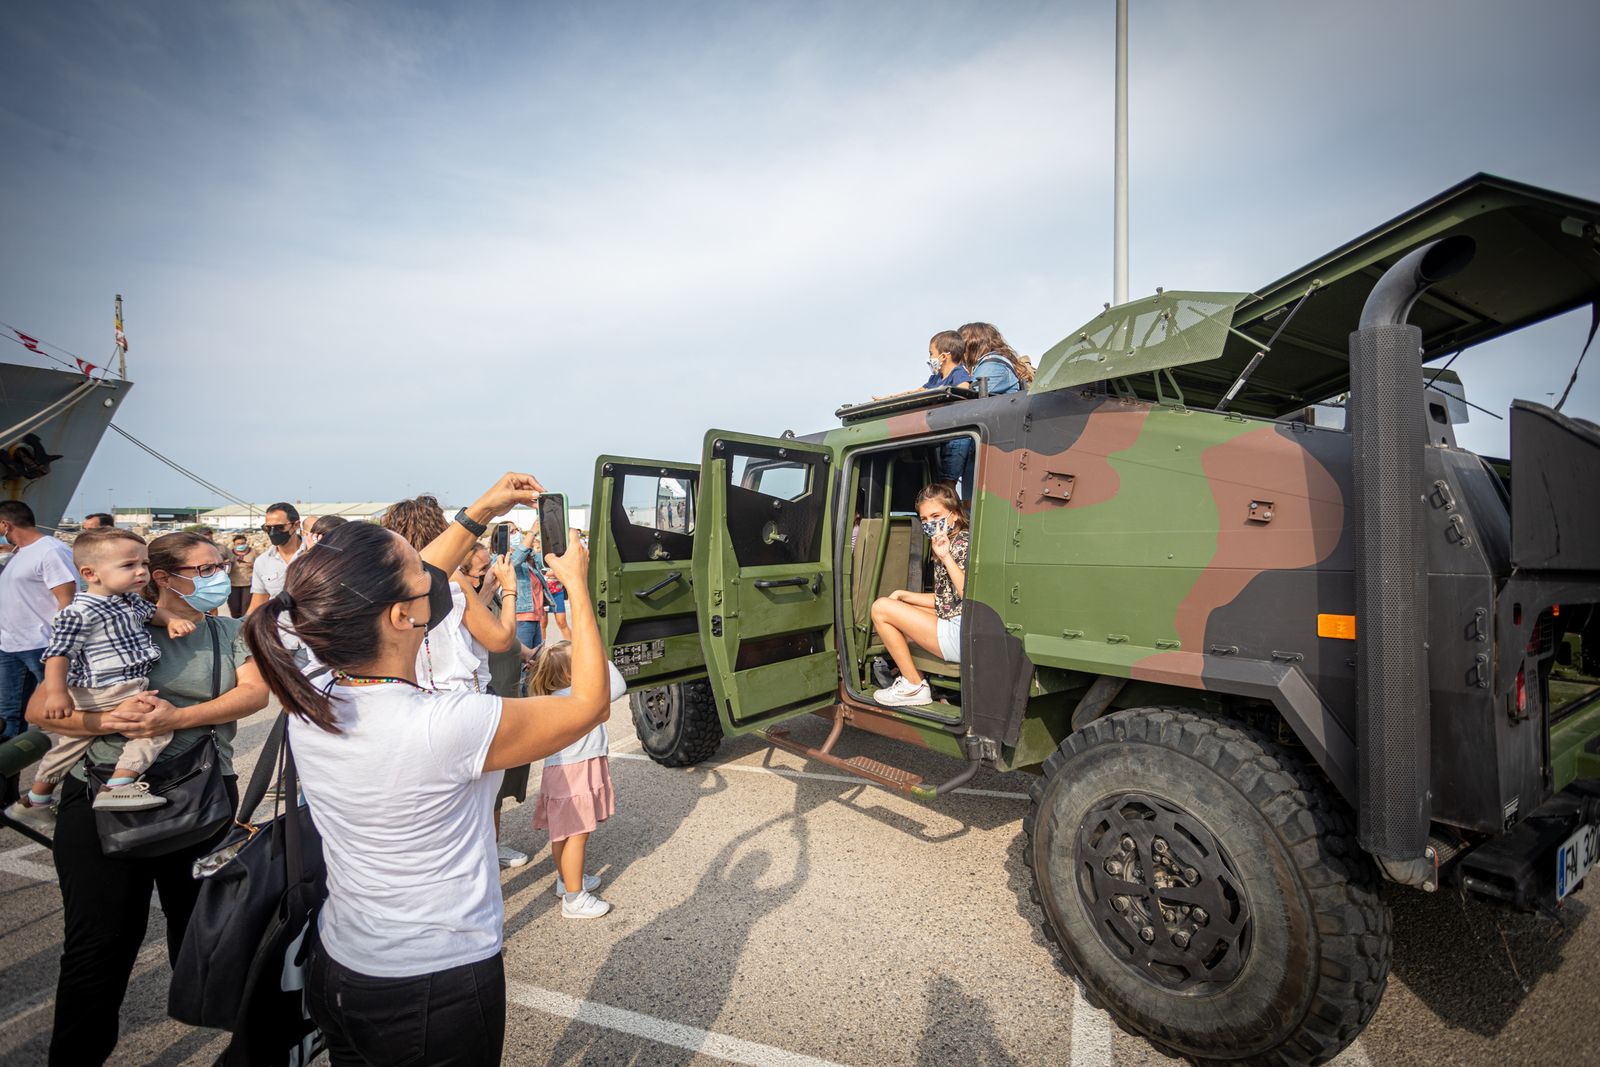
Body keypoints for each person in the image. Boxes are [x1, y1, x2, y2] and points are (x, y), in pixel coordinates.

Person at [241, 472, 609, 1065]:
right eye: (420, 575)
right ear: (401, 616)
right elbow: (589, 703)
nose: (435, 578)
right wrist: (578, 589)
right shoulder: (447, 725)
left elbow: (420, 578)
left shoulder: (310, 683)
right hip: (432, 984)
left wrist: (484, 508)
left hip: (342, 962)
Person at [27, 530, 270, 1065]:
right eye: (205, 569)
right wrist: (109, 719)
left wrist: (175, 718)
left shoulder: (228, 629)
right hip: (98, 798)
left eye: (222, 566)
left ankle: (239, 1050)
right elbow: (40, 713)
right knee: (98, 947)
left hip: (201, 795)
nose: (219, 577)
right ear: (161, 576)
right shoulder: (103, 620)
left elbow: (253, 694)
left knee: (206, 934)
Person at [382, 497, 528, 868]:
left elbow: (452, 622)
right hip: (462, 706)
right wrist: (509, 590)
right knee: (474, 819)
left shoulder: (386, 583)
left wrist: (488, 590)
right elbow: (498, 638)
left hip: (410, 707)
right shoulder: (451, 579)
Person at [13, 530, 196, 825]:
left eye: (144, 564)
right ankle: (120, 785)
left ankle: (36, 798)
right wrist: (56, 693)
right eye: (128, 566)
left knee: (73, 742)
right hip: (107, 687)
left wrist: (172, 620)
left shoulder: (129, 601)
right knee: (154, 728)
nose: (141, 572)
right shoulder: (80, 612)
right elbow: (58, 654)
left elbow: (155, 613)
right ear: (90, 573)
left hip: (116, 685)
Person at [528, 640, 626, 918]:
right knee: (578, 836)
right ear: (572, 674)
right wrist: (600, 654)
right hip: (577, 772)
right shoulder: (581, 697)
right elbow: (618, 685)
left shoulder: (549, 699)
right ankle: (575, 898)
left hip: (559, 773)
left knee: (562, 835)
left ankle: (566, 880)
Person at [869, 483, 970, 708]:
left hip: (962, 634)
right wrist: (904, 596)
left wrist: (945, 557)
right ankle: (918, 677)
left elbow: (969, 595)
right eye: (924, 519)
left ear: (953, 516)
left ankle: (913, 685)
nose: (930, 523)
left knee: (880, 608)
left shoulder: (961, 544)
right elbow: (947, 600)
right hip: (961, 624)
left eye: (936, 515)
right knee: (895, 605)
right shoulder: (952, 539)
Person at [0, 501, 78, 740]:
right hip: (9, 645)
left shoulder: (51, 550)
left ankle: (74, 757)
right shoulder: (19, 553)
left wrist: (61, 645)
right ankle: (8, 771)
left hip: (42, 645)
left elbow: (68, 599)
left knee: (66, 710)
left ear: (4, 525)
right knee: (7, 716)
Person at [247, 501, 308, 664]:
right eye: (268, 528)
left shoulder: (315, 554)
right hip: (280, 642)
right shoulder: (262, 562)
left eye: (279, 527)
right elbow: (257, 605)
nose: (273, 532)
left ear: (295, 525)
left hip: (314, 641)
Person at [958, 321, 1033, 396]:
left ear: (972, 344)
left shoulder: (993, 364)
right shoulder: (988, 364)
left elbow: (968, 397)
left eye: (959, 346)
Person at [226, 533, 256, 618]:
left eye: (242, 543)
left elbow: (262, 566)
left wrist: (253, 565)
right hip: (233, 584)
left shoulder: (253, 552)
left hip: (248, 584)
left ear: (246, 543)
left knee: (246, 607)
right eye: (238, 544)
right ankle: (235, 626)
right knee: (234, 607)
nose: (240, 545)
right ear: (234, 544)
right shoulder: (229, 553)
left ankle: (245, 627)